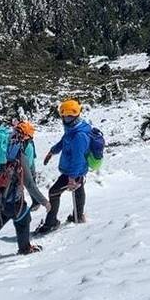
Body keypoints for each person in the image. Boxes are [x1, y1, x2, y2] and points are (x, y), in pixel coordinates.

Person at [0, 121, 50, 254]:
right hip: (8, 193)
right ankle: (25, 249)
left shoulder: (2, 147)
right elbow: (30, 184)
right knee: (23, 217)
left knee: (7, 211)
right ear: (27, 138)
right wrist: (44, 202)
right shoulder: (18, 154)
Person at [35, 99, 91, 235]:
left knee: (53, 192)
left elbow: (78, 159)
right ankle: (78, 216)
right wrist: (52, 151)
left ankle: (51, 223)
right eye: (64, 115)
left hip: (74, 172)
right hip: (74, 171)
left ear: (77, 115)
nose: (67, 118)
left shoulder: (79, 135)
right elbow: (63, 141)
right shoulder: (72, 129)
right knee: (78, 190)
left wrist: (72, 178)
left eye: (70, 116)